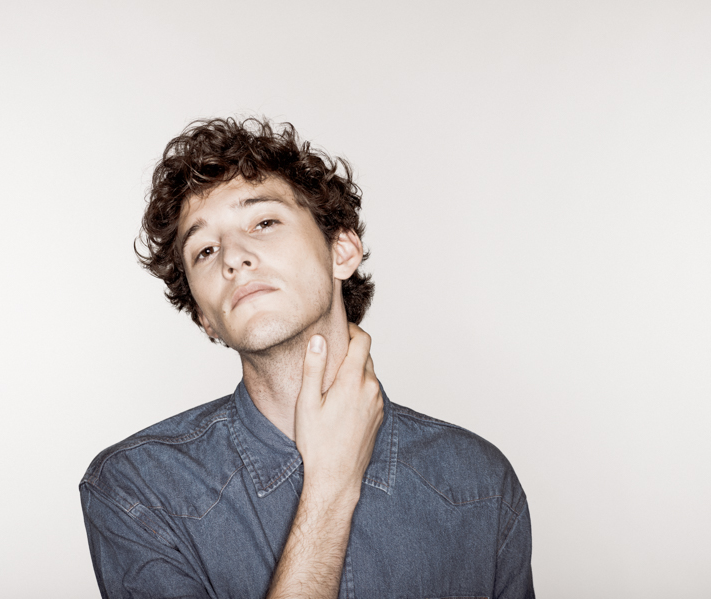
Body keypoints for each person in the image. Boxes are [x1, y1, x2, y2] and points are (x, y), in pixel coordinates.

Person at [79, 117, 534, 598]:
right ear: (205, 317)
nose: (233, 257)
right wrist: (330, 486)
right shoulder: (137, 491)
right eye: (205, 250)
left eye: (264, 223)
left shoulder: (479, 483)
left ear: (342, 251)